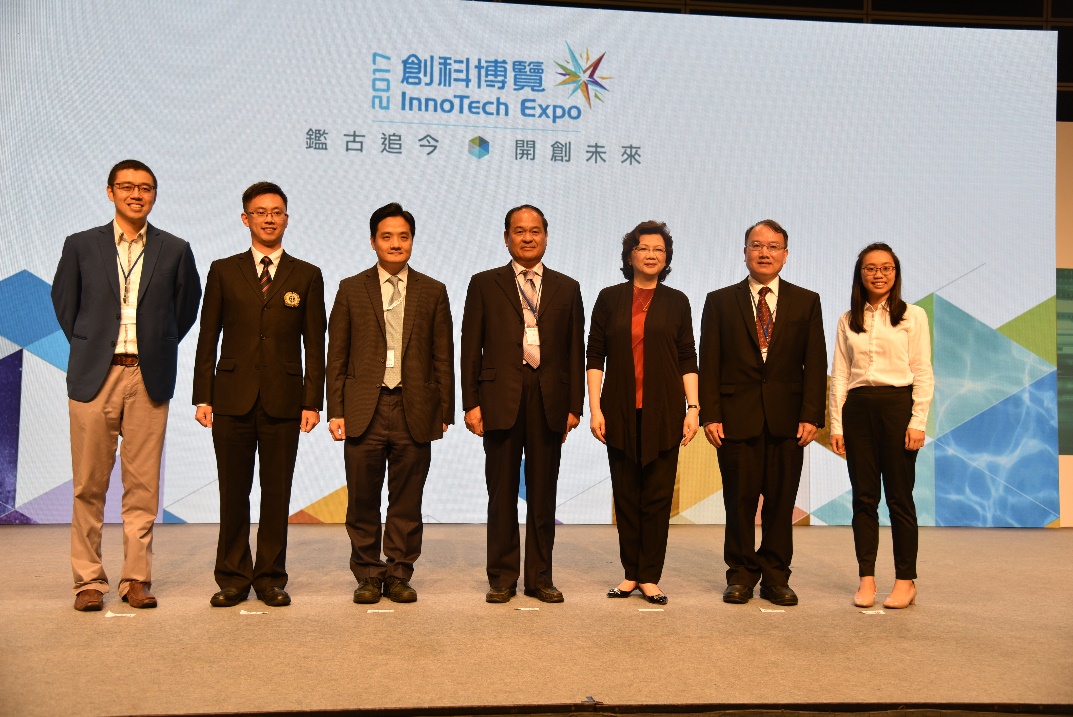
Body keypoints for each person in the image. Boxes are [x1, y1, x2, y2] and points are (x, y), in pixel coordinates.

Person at [51, 159, 202, 612]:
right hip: (95, 376)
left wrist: (157, 346)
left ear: (154, 195)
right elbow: (65, 303)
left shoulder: (175, 249)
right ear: (110, 191)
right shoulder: (81, 245)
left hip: (147, 376)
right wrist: (92, 345)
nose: (136, 194)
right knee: (88, 484)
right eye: (127, 187)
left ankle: (136, 578)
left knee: (143, 487)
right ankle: (88, 581)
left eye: (145, 188)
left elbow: (185, 309)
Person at [192, 182, 326, 608]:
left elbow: (315, 345)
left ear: (287, 218)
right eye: (260, 212)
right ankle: (232, 576)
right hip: (230, 398)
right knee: (233, 492)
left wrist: (312, 401)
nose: (269, 218)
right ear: (245, 218)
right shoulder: (223, 270)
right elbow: (207, 337)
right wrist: (203, 396)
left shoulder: (307, 274)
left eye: (277, 212)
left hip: (284, 401)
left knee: (276, 492)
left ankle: (270, 577)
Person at [326, 203, 454, 604]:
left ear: (412, 241)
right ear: (373, 242)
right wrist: (336, 410)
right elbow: (337, 354)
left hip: (414, 408)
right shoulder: (351, 288)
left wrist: (445, 410)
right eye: (387, 236)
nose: (395, 243)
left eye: (403, 236)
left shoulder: (433, 290)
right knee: (362, 498)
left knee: (407, 499)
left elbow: (443, 355)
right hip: (364, 406)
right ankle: (367, 573)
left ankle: (399, 573)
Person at [460, 205, 584, 604]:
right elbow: (470, 347)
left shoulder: (568, 287)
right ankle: (501, 577)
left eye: (534, 231)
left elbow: (575, 350)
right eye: (519, 231)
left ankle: (540, 578)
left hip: (550, 399)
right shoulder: (484, 283)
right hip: (499, 398)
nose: (527, 237)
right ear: (506, 238)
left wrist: (574, 406)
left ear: (546, 236)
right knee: (501, 493)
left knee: (543, 495)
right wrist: (471, 403)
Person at [699, 219, 826, 607]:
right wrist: (710, 415)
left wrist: (812, 415)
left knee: (780, 504)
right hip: (735, 418)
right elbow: (710, 362)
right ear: (745, 253)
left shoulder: (806, 301)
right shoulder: (720, 301)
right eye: (757, 245)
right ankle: (740, 574)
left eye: (773, 246)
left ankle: (775, 576)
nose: (764, 253)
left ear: (786, 255)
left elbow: (815, 363)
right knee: (738, 502)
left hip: (788, 420)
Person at [586, 221, 699, 605]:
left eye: (659, 250)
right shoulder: (609, 298)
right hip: (619, 410)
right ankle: (630, 573)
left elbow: (687, 357)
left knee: (657, 497)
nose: (651, 255)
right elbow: (595, 356)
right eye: (644, 248)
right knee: (626, 494)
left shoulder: (677, 301)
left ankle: (650, 576)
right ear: (630, 254)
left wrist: (693, 408)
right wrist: (595, 408)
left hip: (664, 412)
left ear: (666, 259)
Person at [829, 243, 933, 610]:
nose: (879, 274)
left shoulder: (913, 316)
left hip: (897, 408)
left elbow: (922, 371)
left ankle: (906, 580)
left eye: (886, 268)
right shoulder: (848, 319)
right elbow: (840, 376)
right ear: (860, 274)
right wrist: (837, 425)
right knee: (864, 498)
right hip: (858, 410)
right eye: (871, 268)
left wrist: (918, 421)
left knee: (900, 498)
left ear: (896, 273)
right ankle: (867, 579)